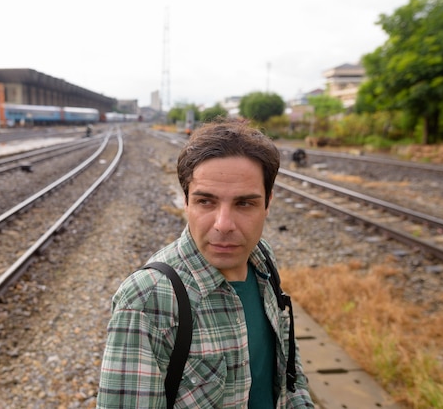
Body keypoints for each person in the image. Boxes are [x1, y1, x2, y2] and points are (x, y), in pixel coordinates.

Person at [97, 119, 314, 408]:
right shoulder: (147, 300)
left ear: (268, 203)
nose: (224, 225)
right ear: (186, 202)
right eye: (206, 202)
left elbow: (288, 372)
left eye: (245, 203)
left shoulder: (263, 260)